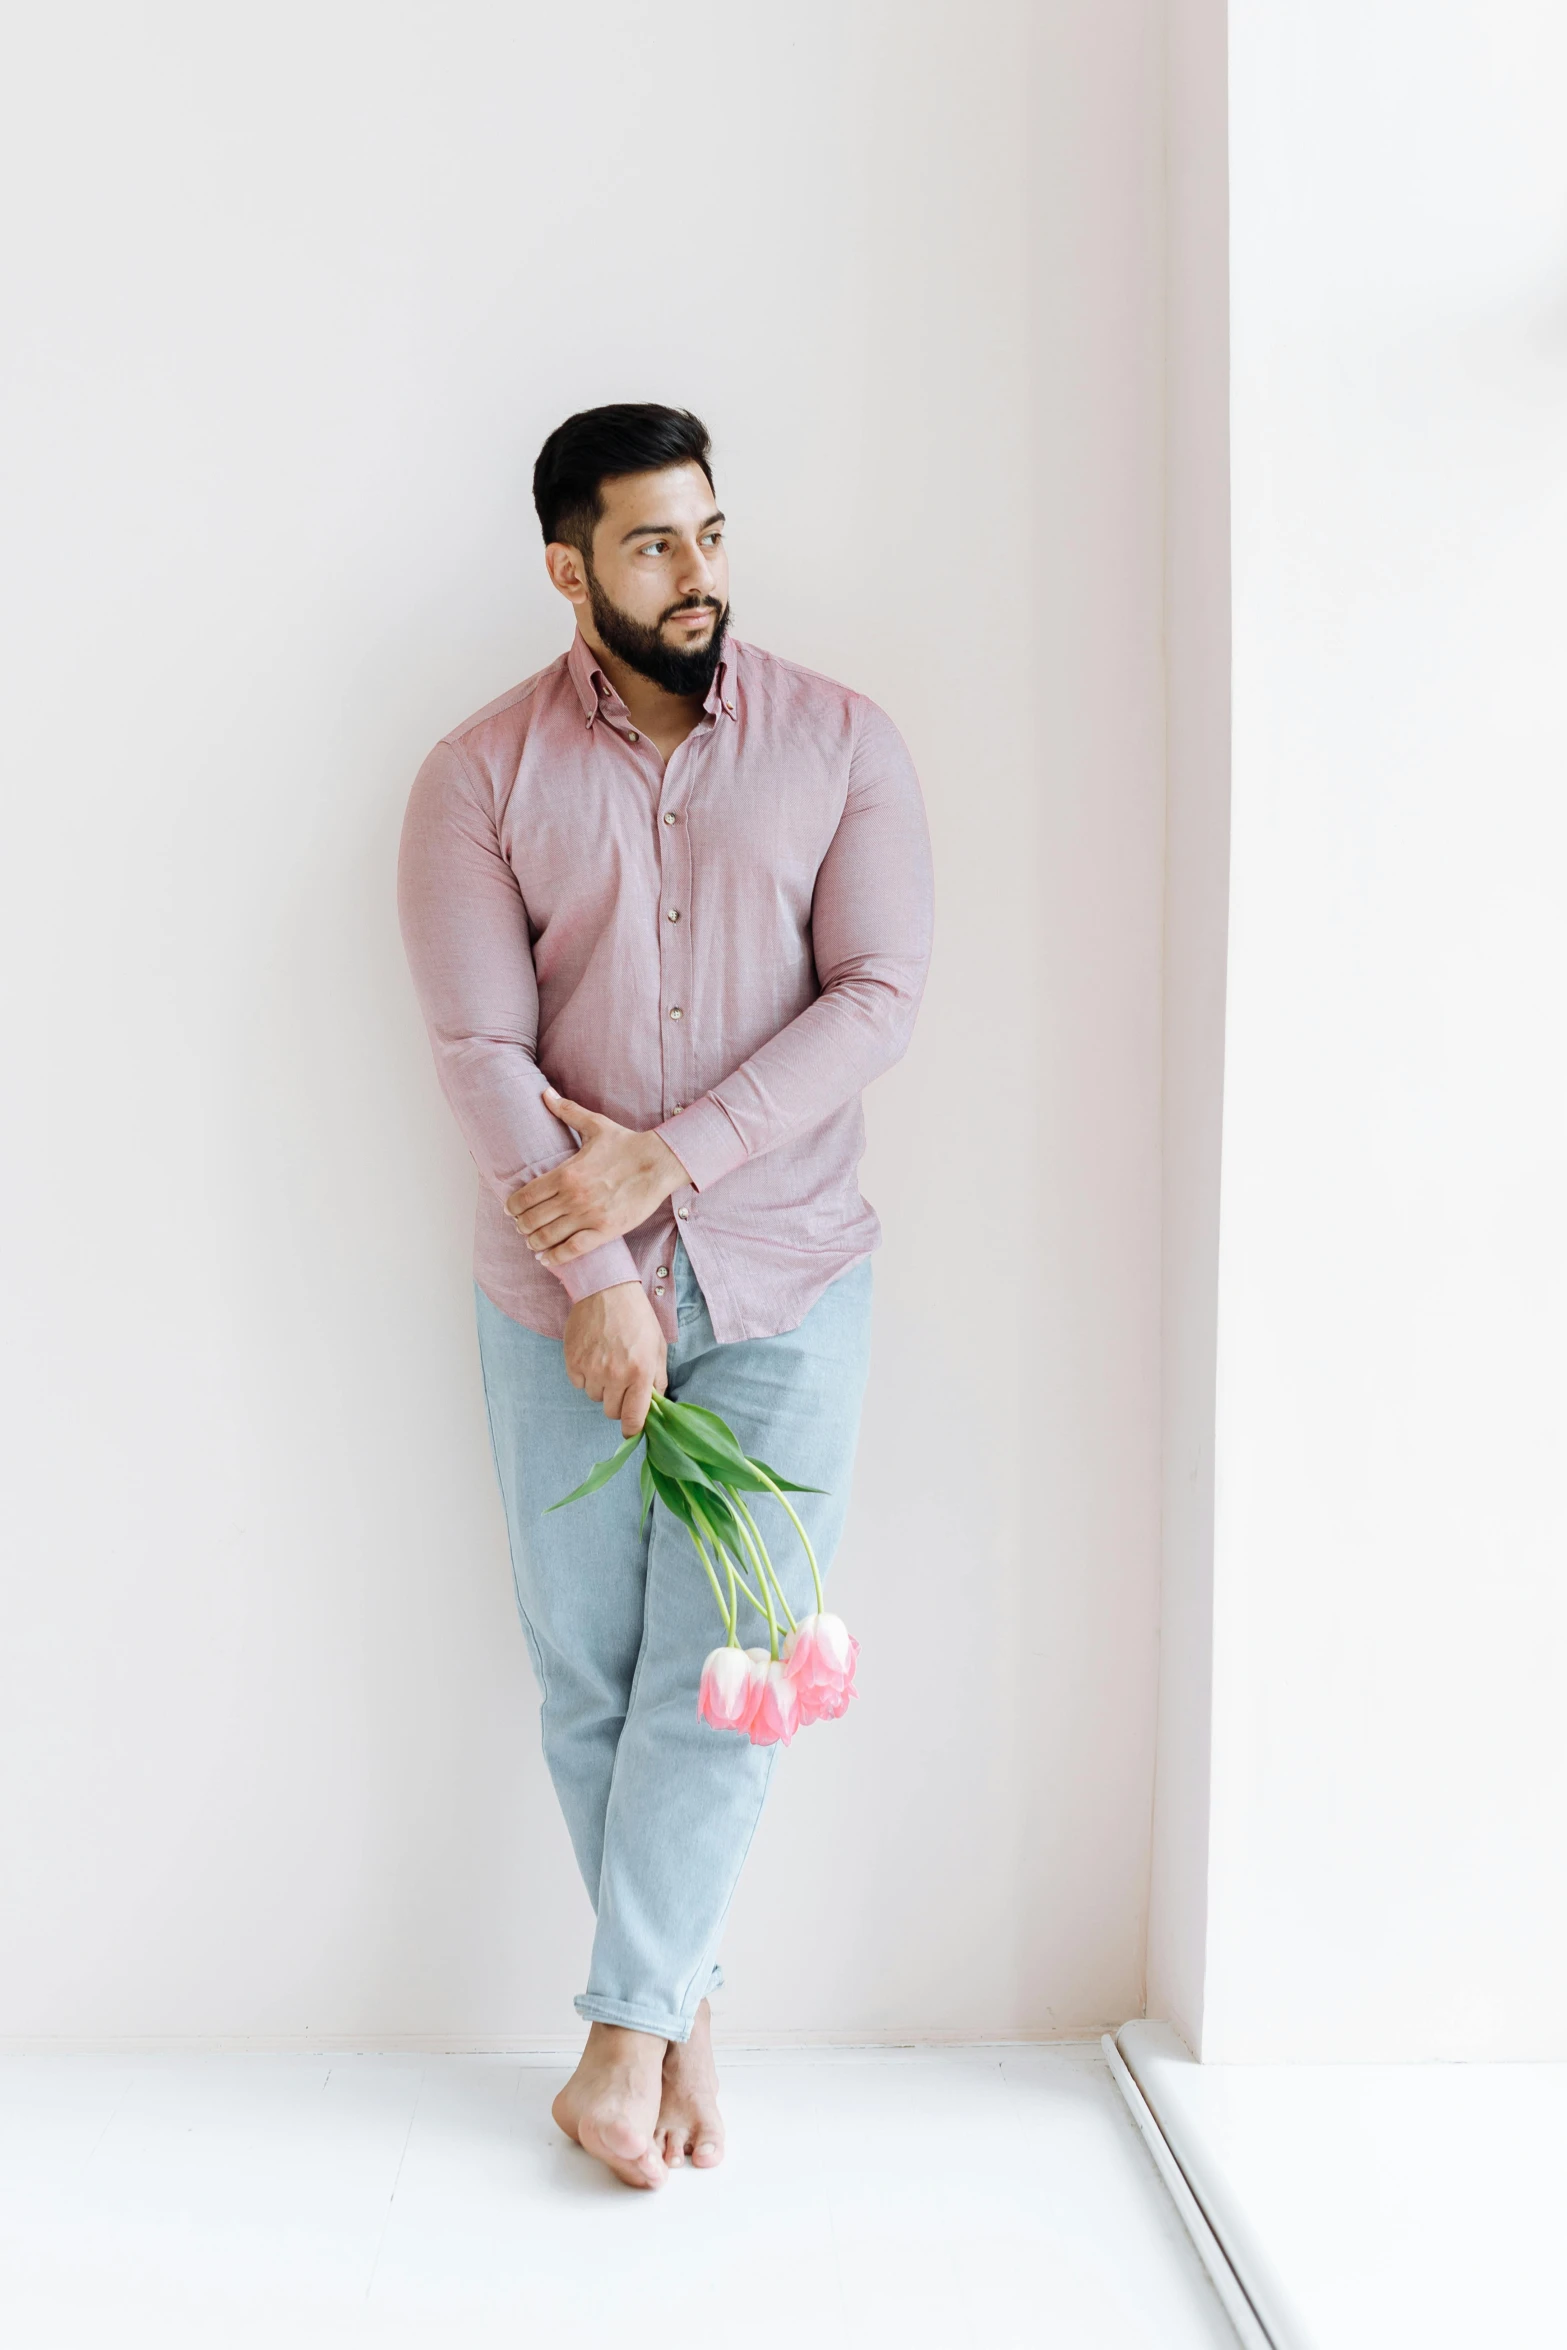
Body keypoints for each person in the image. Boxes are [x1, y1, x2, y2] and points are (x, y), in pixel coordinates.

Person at [396, 404, 934, 2190]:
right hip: (555, 1295)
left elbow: (875, 993)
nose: (697, 574)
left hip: (787, 1269)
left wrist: (666, 1161)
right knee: (589, 1670)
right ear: (569, 570)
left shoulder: (845, 743)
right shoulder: (474, 777)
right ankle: (677, 2005)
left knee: (729, 1664)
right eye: (651, 545)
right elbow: (479, 1048)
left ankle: (616, 2045)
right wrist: (600, 1270)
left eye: (708, 533)